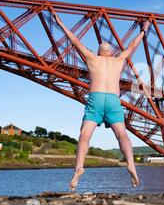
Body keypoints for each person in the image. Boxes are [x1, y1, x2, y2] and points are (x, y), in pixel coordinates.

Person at [53, 12, 151, 191]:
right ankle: (131, 164)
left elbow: (75, 41)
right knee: (122, 134)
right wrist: (143, 31)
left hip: (95, 98)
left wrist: (61, 23)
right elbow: (132, 45)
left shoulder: (92, 58)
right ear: (111, 52)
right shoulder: (118, 60)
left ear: (99, 52)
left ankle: (78, 168)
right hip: (113, 99)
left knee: (85, 135)